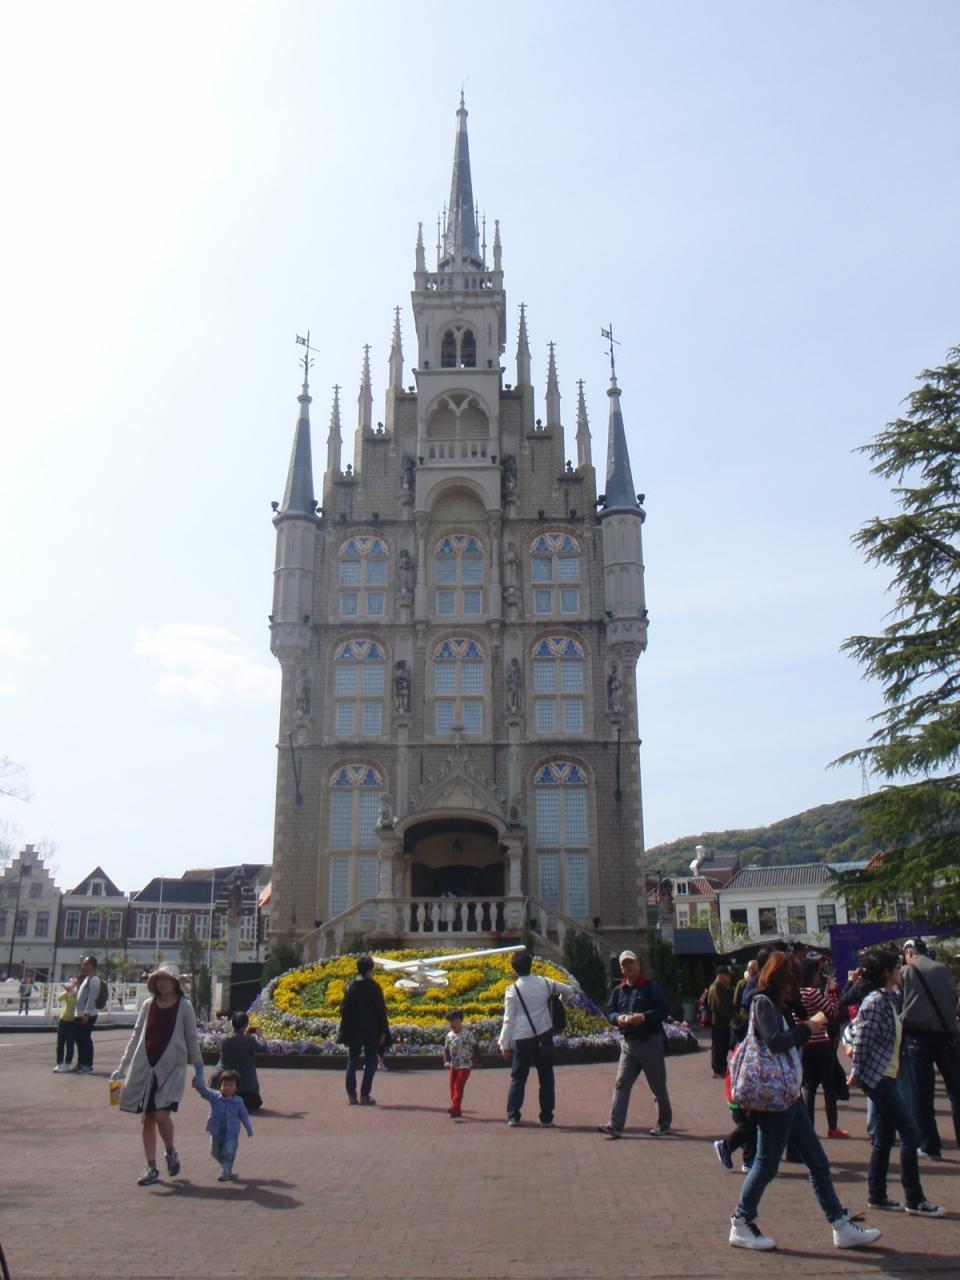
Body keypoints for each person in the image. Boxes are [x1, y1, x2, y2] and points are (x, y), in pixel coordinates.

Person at [728, 952, 881, 1252]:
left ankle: (840, 1225)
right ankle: (741, 1221)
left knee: (818, 1162)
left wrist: (804, 1012)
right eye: (791, 983)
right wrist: (808, 1028)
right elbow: (775, 1041)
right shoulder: (763, 1003)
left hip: (787, 1094)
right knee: (766, 1164)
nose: (794, 989)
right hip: (775, 1097)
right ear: (780, 981)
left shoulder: (780, 1004)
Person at [849, 947, 947, 1217]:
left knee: (884, 1137)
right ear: (885, 973)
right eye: (896, 967)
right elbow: (862, 1041)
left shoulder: (889, 997)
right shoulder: (875, 1002)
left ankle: (877, 1194)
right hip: (879, 1077)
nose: (900, 971)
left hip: (887, 1074)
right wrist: (856, 1072)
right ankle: (914, 1198)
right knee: (911, 1133)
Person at [110, 962, 205, 1186]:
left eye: (166, 979)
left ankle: (170, 1151)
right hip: (146, 1067)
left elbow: (191, 1038)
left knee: (162, 1115)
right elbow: (137, 1035)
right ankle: (151, 1167)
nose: (162, 983)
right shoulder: (148, 1004)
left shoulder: (184, 1006)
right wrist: (122, 1067)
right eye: (159, 979)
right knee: (148, 1118)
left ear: (175, 983)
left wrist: (199, 1068)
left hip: (172, 1069)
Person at [598, 950, 672, 1137]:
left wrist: (643, 1017)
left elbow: (663, 1010)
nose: (628, 967)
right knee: (621, 1084)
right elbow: (610, 1012)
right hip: (628, 1045)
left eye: (631, 963)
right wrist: (618, 1018)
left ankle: (663, 1123)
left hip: (650, 1042)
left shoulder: (651, 987)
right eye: (624, 964)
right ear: (621, 969)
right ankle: (615, 1125)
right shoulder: (619, 990)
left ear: (638, 965)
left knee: (657, 1087)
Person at [498, 948, 575, 1127]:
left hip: (522, 1038)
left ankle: (513, 1115)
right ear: (530, 965)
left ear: (514, 969)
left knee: (518, 1078)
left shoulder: (512, 990)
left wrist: (504, 1044)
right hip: (543, 1034)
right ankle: (546, 1117)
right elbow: (569, 990)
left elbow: (508, 1019)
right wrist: (559, 1004)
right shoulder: (545, 983)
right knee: (546, 1077)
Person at [899, 937, 960, 1160]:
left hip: (917, 1037)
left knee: (922, 1095)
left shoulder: (906, 972)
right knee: (956, 1092)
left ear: (909, 953)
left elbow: (899, 1003)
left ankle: (929, 1146)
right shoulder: (943, 970)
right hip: (947, 1035)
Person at [799, 954, 847, 1138]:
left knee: (808, 1087)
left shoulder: (796, 993)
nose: (820, 977)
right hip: (820, 1043)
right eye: (818, 973)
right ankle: (832, 1127)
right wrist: (833, 993)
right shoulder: (812, 993)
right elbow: (833, 1012)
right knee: (828, 1086)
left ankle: (809, 1129)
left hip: (804, 1044)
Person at [337, 955, 390, 1105]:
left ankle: (351, 1095)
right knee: (371, 1061)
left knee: (352, 1060)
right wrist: (383, 1031)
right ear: (370, 969)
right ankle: (365, 1095)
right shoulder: (374, 987)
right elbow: (381, 1011)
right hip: (371, 1031)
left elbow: (344, 1009)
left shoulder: (351, 986)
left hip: (354, 1030)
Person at [192, 1068, 254, 1182]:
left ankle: (225, 1171)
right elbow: (204, 1091)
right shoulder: (215, 1097)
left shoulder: (238, 1101)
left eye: (231, 1085)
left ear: (236, 1087)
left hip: (231, 1133)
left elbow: (244, 1116)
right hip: (216, 1132)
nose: (227, 1088)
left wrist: (249, 1129)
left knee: (229, 1151)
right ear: (220, 1086)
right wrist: (198, 1085)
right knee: (214, 1151)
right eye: (224, 1084)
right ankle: (226, 1165)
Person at [214, 1012, 263, 1112]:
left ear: (232, 1024)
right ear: (246, 1025)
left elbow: (236, 1043)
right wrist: (260, 1036)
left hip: (225, 1085)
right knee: (254, 1102)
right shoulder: (249, 1040)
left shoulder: (223, 1039)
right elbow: (263, 1048)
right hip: (246, 1087)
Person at [442, 1010, 479, 1117]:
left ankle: (454, 1107)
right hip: (454, 1065)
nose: (452, 1023)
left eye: (455, 1020)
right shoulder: (449, 1035)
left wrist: (478, 1059)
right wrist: (446, 1061)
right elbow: (446, 1050)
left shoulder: (467, 1034)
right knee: (452, 1087)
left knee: (458, 1086)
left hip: (465, 1065)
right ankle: (457, 1110)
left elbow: (475, 1046)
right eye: (450, 1021)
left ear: (460, 1021)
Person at [73, 956, 103, 1074]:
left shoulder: (94, 979)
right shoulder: (87, 978)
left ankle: (87, 1065)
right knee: (79, 1039)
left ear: (91, 965)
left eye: (85, 964)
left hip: (87, 1014)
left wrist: (87, 1012)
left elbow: (92, 997)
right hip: (80, 1013)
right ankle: (81, 1063)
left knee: (85, 1039)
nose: (83, 966)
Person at [708, 966, 735, 1078]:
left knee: (723, 1046)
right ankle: (718, 1069)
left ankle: (722, 1067)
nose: (729, 977)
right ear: (721, 975)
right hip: (719, 1023)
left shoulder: (723, 987)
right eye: (727, 975)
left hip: (723, 1022)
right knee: (718, 1046)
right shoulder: (715, 988)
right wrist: (730, 1018)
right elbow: (718, 1007)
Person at [53, 978, 78, 1072]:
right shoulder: (68, 993)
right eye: (71, 983)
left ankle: (67, 1063)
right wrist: (67, 991)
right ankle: (59, 1063)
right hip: (63, 1019)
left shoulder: (78, 994)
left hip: (72, 1021)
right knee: (60, 1043)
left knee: (70, 1044)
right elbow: (59, 998)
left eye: (74, 983)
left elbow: (78, 1001)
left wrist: (73, 992)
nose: (72, 985)